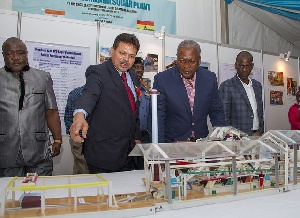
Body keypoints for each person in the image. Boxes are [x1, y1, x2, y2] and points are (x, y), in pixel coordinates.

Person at [70, 33, 141, 173]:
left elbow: (132, 110)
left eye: (131, 56)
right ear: (112, 51)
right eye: (122, 53)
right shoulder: (98, 72)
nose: (126, 59)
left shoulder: (132, 76)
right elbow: (89, 94)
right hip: (104, 154)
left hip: (129, 153)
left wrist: (136, 137)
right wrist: (79, 115)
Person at [0, 37, 62, 177]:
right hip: (6, 151)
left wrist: (57, 139)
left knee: (39, 193)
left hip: (38, 150)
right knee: (10, 194)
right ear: (4, 55)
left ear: (26, 54)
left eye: (20, 53)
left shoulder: (42, 77)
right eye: (10, 53)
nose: (16, 58)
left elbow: (51, 111)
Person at [151, 40, 226, 143]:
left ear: (199, 60)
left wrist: (221, 141)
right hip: (173, 144)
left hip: (201, 144)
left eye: (191, 61)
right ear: (177, 59)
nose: (186, 66)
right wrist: (159, 148)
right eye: (182, 61)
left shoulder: (209, 79)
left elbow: (217, 111)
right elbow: (157, 117)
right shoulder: (163, 80)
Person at [219, 51, 264, 136]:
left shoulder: (257, 85)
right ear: (236, 65)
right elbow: (224, 116)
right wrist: (230, 137)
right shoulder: (227, 86)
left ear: (252, 66)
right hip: (237, 137)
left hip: (257, 134)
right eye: (241, 66)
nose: (244, 70)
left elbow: (259, 112)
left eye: (247, 66)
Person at [131, 57, 151, 169]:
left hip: (145, 135)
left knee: (144, 167)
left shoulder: (147, 90)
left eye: (141, 68)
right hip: (130, 134)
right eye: (136, 67)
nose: (139, 70)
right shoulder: (126, 88)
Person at [64, 86, 89, 174]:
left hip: (78, 138)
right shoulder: (104, 93)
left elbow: (68, 118)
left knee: (81, 171)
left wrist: (74, 137)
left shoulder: (75, 92)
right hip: (87, 140)